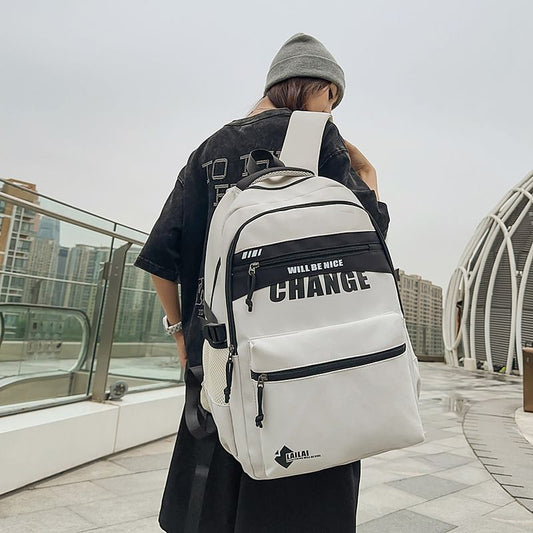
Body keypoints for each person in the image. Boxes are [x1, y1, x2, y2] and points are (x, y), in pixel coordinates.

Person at [135, 32, 390, 533]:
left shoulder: (209, 148)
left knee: (210, 500)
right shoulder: (322, 141)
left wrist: (182, 335)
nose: (332, 110)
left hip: (217, 359)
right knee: (302, 506)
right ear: (318, 88)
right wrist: (369, 173)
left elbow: (162, 258)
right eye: (333, 98)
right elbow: (369, 238)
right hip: (306, 366)